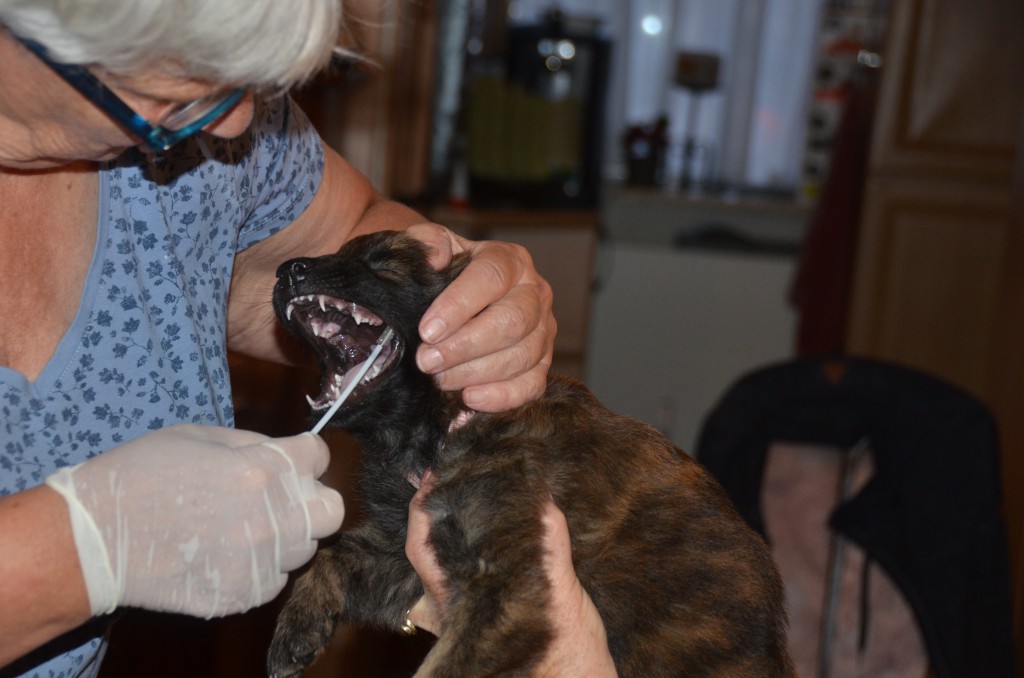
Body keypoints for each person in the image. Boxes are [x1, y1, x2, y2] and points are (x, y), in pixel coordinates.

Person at [0, 1, 616, 676]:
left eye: (248, 82)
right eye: (180, 70)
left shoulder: (206, 132)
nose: (236, 122)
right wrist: (87, 549)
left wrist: (473, 292)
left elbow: (354, 228)